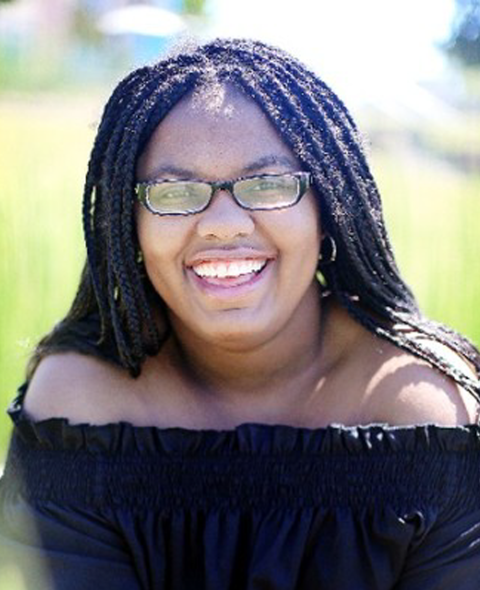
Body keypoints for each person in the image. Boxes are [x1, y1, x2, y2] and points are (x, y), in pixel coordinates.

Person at [1, 37, 480, 590]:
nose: (223, 224)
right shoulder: (80, 408)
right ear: (127, 223)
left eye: (268, 185)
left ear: (328, 210)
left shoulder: (423, 408)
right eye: (175, 191)